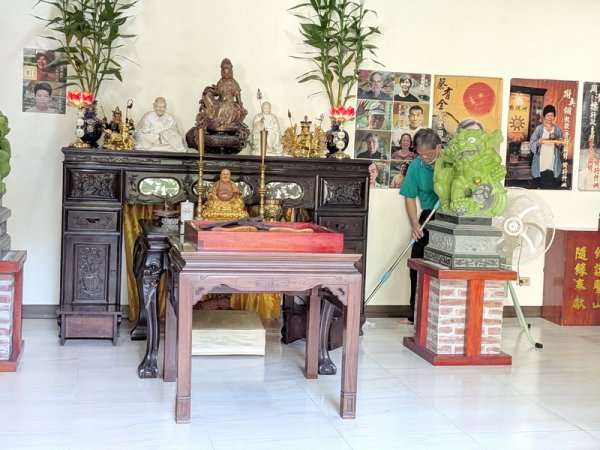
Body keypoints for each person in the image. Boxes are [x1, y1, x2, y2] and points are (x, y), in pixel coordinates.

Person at [399, 128, 442, 324]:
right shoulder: (417, 165)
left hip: (449, 215)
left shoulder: (450, 162)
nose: (424, 158)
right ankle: (415, 313)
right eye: (420, 154)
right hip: (428, 216)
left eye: (428, 154)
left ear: (438, 147)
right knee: (417, 261)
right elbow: (409, 195)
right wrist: (414, 224)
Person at [200, 58, 247, 131]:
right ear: (222, 72)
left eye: (228, 72)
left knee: (221, 109)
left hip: (229, 103)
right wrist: (210, 90)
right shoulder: (221, 81)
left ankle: (222, 123)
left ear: (231, 71)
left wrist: (239, 103)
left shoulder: (233, 82)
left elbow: (237, 94)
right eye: (224, 73)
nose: (226, 75)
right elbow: (217, 92)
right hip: (220, 101)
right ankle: (214, 120)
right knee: (211, 100)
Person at [530, 104, 564, 189]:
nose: (550, 118)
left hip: (553, 157)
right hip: (541, 157)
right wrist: (538, 142)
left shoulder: (557, 129)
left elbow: (562, 144)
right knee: (540, 179)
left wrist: (559, 144)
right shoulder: (539, 128)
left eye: (552, 116)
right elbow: (532, 143)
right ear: (544, 116)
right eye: (548, 115)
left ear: (554, 116)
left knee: (551, 178)